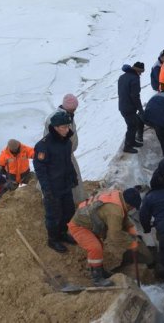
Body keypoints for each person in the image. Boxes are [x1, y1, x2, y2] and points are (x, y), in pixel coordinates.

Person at [68, 188, 141, 287]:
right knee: (95, 247)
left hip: (87, 221)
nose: (132, 210)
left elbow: (123, 216)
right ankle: (97, 278)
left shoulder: (119, 197)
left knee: (99, 246)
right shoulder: (115, 211)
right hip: (79, 226)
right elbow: (115, 235)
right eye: (132, 208)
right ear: (129, 205)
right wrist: (131, 243)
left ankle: (100, 271)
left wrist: (131, 229)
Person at [35, 112, 80, 253]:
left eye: (68, 126)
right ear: (55, 127)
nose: (67, 129)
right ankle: (53, 240)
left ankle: (62, 233)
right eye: (64, 127)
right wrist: (46, 190)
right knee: (53, 215)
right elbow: (40, 170)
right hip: (52, 187)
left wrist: (73, 176)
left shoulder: (66, 141)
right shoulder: (43, 146)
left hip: (65, 184)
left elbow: (68, 161)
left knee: (68, 211)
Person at [44, 94, 85, 204]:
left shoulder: (68, 115)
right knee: (62, 178)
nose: (75, 110)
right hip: (59, 155)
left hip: (67, 152)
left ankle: (73, 200)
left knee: (71, 176)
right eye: (74, 108)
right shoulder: (55, 119)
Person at [118, 61, 145, 153]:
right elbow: (135, 96)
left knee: (134, 124)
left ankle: (132, 142)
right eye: (141, 72)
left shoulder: (122, 77)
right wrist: (141, 110)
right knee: (132, 126)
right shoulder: (134, 79)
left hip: (123, 105)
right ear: (137, 71)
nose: (140, 74)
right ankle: (127, 146)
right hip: (129, 107)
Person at [143, 90, 164, 157]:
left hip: (146, 118)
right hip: (160, 122)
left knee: (156, 124)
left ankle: (141, 133)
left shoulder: (156, 95)